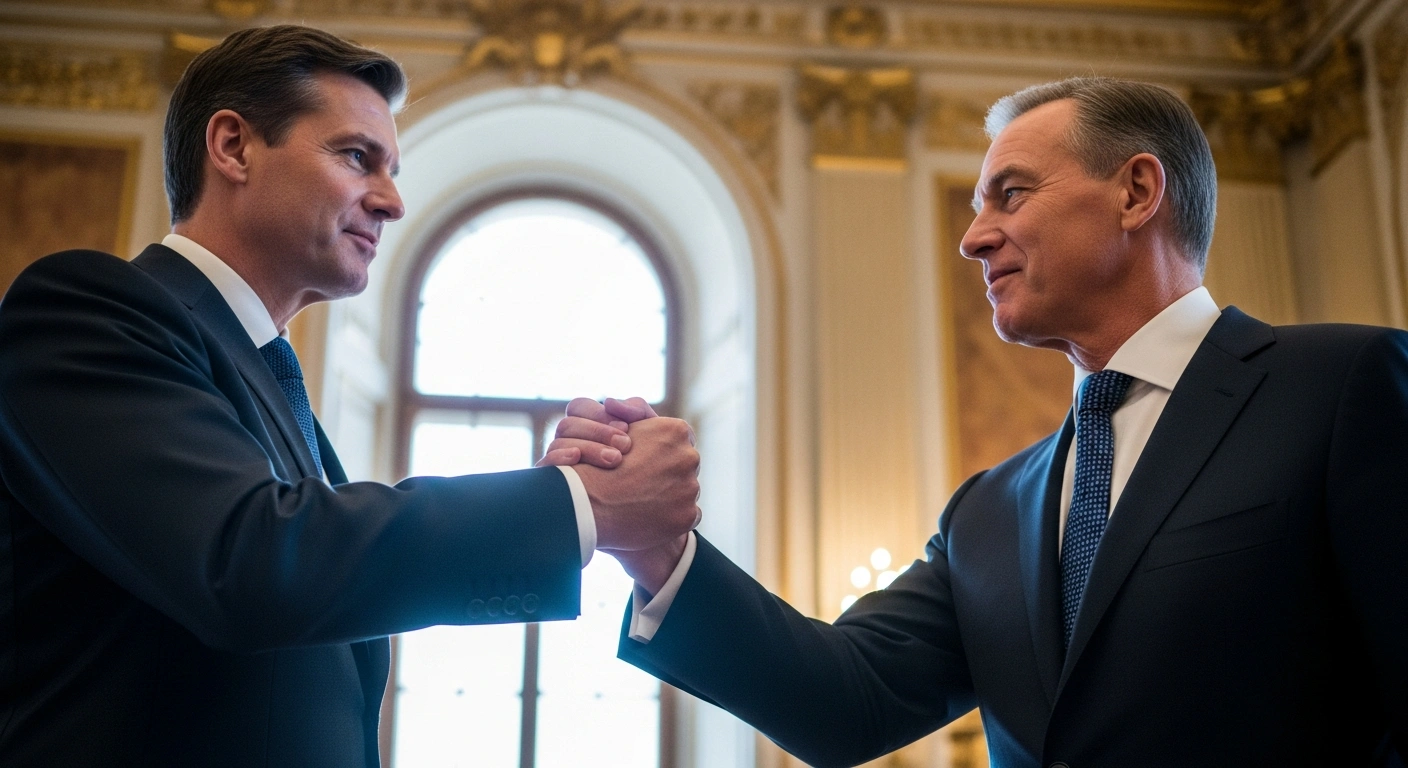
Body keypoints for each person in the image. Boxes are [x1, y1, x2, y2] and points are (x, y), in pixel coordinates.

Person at [549, 77, 1408, 766]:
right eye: (973, 205)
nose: (973, 237)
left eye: (1011, 194)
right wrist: (658, 550)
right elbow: (847, 702)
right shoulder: (989, 512)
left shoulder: (1341, 387)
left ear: (1137, 192)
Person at [0, 25, 699, 767]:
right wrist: (573, 503)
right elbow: (251, 561)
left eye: (392, 168)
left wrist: (567, 499)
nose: (393, 202)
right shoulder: (88, 309)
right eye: (357, 157)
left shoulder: (275, 388)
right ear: (233, 147)